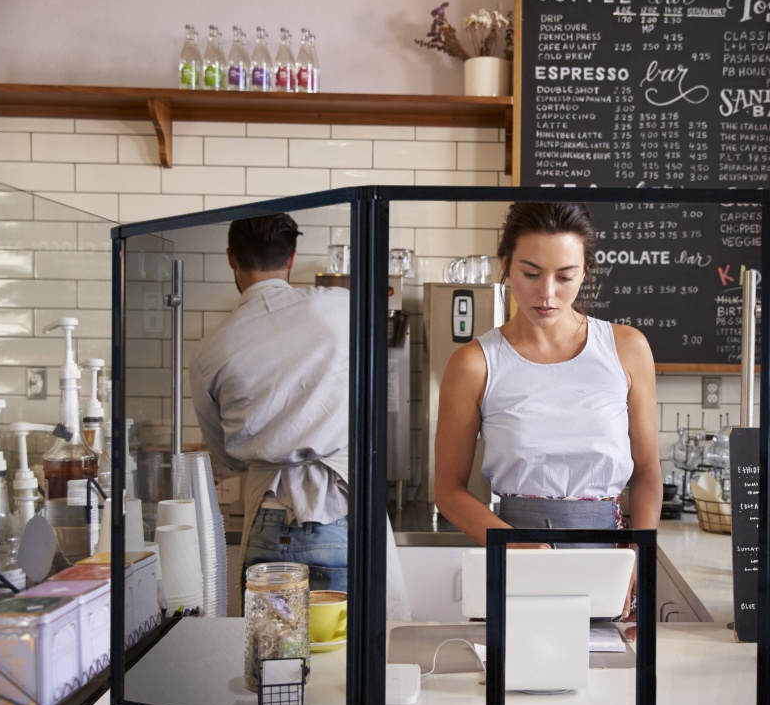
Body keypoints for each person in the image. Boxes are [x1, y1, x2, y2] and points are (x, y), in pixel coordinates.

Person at [434, 201, 662, 622]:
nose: (547, 293)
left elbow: (647, 471)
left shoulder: (627, 348)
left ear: (585, 272)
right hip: (515, 557)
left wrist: (638, 555)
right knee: (514, 677)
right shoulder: (474, 364)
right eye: (531, 273)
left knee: (609, 683)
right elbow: (448, 490)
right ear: (505, 265)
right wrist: (513, 544)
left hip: (608, 563)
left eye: (565, 276)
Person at [190, 213, 410, 619]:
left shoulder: (209, 351)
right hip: (340, 511)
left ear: (231, 258)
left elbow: (227, 456)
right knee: (346, 663)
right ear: (292, 258)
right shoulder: (346, 309)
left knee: (273, 663)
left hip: (268, 516)